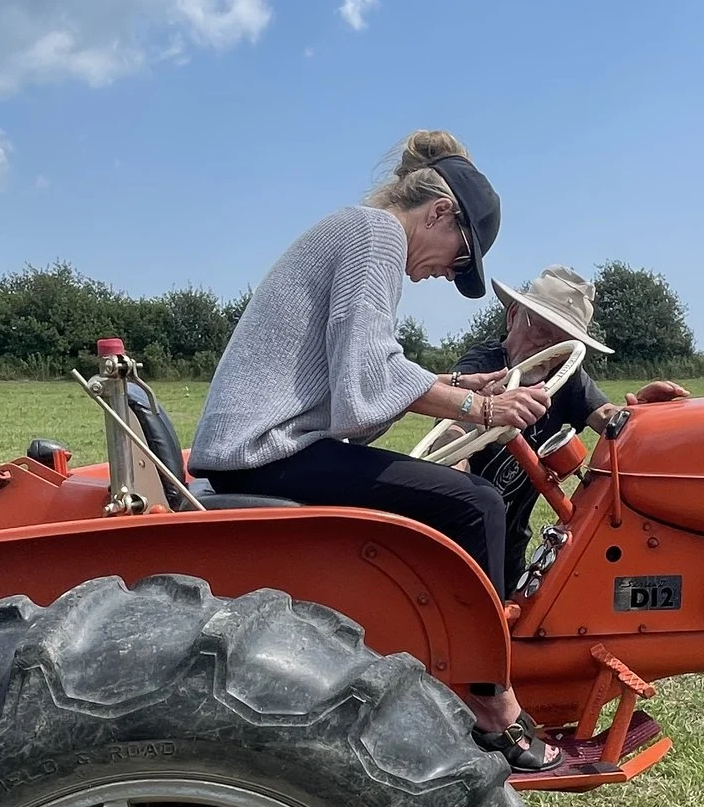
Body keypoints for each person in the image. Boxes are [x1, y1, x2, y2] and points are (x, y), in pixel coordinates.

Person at [190, 130, 565, 771]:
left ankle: (457, 664)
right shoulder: (376, 235)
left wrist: (456, 385)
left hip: (263, 445)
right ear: (440, 214)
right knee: (477, 503)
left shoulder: (354, 229)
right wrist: (480, 408)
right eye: (460, 259)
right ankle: (490, 702)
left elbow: (357, 372)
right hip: (266, 449)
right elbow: (368, 376)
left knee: (459, 500)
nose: (447, 274)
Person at [452, 266, 688, 575]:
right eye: (541, 330)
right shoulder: (482, 367)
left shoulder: (564, 377)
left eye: (563, 343)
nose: (549, 351)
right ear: (513, 316)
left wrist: (641, 413)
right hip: (459, 537)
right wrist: (459, 475)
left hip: (509, 545)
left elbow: (605, 417)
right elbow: (453, 428)